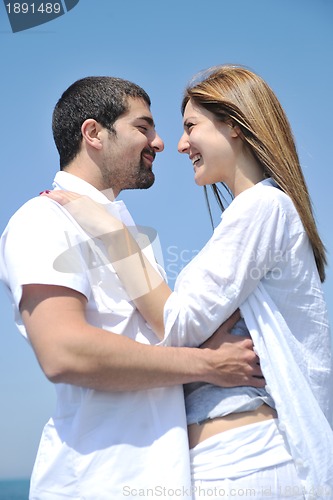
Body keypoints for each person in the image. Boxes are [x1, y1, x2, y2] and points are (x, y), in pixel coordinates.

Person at [44, 65, 333, 499]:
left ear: (233, 125)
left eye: (190, 127)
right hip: (235, 463)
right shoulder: (258, 211)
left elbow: (176, 324)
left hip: (242, 464)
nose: (179, 145)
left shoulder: (262, 207)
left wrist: (110, 230)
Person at [0, 76, 264, 500]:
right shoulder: (42, 219)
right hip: (94, 483)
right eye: (143, 127)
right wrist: (207, 365)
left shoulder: (127, 234)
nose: (160, 143)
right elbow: (62, 352)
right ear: (93, 134)